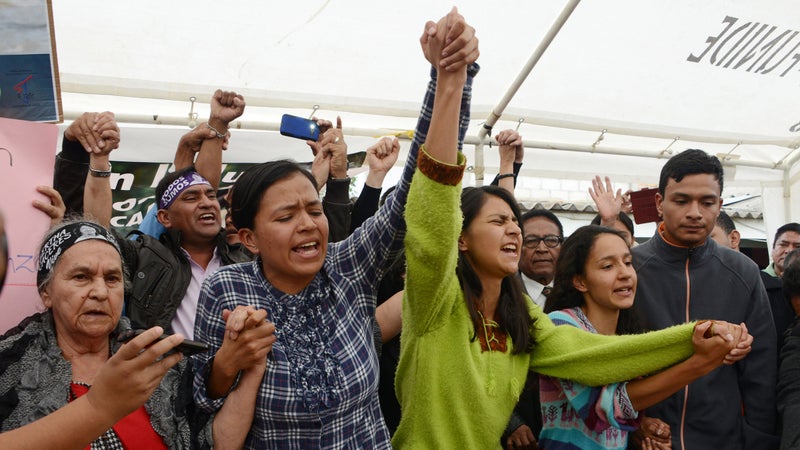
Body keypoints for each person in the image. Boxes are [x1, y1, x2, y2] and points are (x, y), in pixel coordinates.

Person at [392, 10, 747, 449]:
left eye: (514, 223)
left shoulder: (521, 318)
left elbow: (594, 355)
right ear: (460, 238)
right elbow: (432, 217)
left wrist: (692, 336)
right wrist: (450, 83)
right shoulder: (434, 302)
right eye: (499, 221)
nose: (516, 232)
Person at [190, 11, 478, 448]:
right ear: (248, 238)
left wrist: (448, 77)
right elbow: (203, 402)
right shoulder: (227, 289)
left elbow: (417, 193)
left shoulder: (347, 266)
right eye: (285, 217)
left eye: (314, 209)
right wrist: (229, 362)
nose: (307, 224)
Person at [0, 218, 274, 449]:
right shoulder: (8, 366)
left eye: (112, 278)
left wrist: (252, 362)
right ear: (46, 292)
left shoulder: (158, 357)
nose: (99, 292)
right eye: (81, 277)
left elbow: (214, 442)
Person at [70, 91, 256, 339]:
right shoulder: (145, 259)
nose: (206, 203)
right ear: (164, 218)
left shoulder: (248, 262)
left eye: (211, 197)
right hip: (167, 374)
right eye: (191, 198)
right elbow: (97, 232)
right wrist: (100, 160)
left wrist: (219, 122)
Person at [539, 225, 744, 450]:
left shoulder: (627, 335)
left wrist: (642, 432)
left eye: (627, 262)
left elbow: (622, 418)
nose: (625, 273)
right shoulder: (561, 325)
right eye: (608, 266)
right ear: (580, 281)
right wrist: (701, 363)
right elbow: (605, 408)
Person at [632, 149, 778, 449]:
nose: (695, 212)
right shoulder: (629, 269)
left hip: (724, 440)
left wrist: (758, 441)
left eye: (707, 202)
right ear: (660, 203)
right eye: (681, 200)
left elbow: (761, 373)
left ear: (720, 205)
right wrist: (631, 423)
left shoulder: (743, 272)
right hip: (647, 440)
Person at [712, 212, 793, 349]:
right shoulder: (689, 289)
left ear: (734, 238)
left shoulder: (775, 291)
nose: (698, 246)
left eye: (708, 238)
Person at [518, 209, 564, 308]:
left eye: (551, 240)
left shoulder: (576, 292)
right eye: (531, 241)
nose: (542, 249)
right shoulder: (503, 293)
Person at [589, 175, 636, 246]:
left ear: (632, 240)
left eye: (623, 236)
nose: (617, 242)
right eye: (610, 235)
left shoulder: (641, 255)